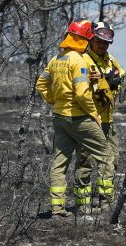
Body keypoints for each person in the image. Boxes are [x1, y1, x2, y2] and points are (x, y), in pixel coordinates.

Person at [36, 19, 114, 217]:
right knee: (106, 155)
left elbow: (41, 84)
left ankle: (57, 210)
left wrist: (55, 100)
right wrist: (94, 114)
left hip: (59, 118)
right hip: (78, 118)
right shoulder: (78, 60)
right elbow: (81, 94)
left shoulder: (57, 59)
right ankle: (106, 205)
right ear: (85, 38)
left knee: (60, 163)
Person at [74, 21, 125, 211]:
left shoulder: (110, 60)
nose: (102, 46)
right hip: (88, 119)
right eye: (98, 41)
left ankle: (105, 201)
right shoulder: (82, 60)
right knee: (85, 162)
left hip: (107, 120)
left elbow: (121, 76)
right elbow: (79, 87)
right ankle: (82, 204)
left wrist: (113, 82)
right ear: (91, 39)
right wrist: (97, 81)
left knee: (112, 160)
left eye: (106, 43)